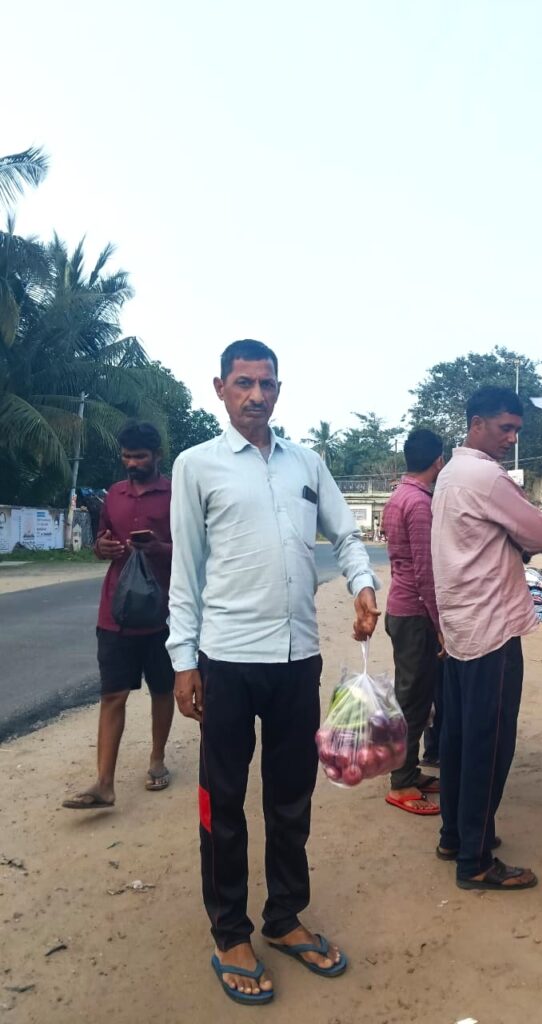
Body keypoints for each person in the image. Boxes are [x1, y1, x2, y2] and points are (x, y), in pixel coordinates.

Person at [168, 338, 380, 1006]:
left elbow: (346, 535)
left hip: (296, 661)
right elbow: (188, 571)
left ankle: (284, 916)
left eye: (267, 384)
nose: (256, 395)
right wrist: (183, 661)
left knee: (291, 800)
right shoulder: (196, 466)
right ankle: (229, 929)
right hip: (227, 659)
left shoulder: (306, 464)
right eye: (243, 383)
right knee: (222, 802)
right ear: (220, 387)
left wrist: (364, 585)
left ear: (279, 390)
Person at [431, 386, 542, 889]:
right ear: (476, 423)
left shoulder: (448, 475)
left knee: (460, 739)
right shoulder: (485, 476)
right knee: (490, 743)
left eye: (516, 430)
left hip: (462, 626)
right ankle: (476, 859)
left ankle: (455, 836)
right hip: (493, 629)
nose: (511, 438)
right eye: (505, 428)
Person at [62, 421, 174, 810]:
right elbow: (101, 540)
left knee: (163, 689)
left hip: (164, 612)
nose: (131, 463)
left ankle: (157, 759)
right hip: (117, 611)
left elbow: (193, 550)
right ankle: (104, 783)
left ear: (156, 456)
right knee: (113, 694)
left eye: (139, 457)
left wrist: (159, 547)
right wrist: (102, 547)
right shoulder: (114, 493)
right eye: (126, 456)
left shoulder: (175, 493)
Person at [381, 428, 445, 816]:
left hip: (403, 609)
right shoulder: (419, 503)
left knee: (416, 696)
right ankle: (401, 782)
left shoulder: (400, 496)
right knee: (413, 699)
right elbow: (425, 571)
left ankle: (410, 770)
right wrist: (439, 623)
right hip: (415, 613)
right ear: (438, 461)